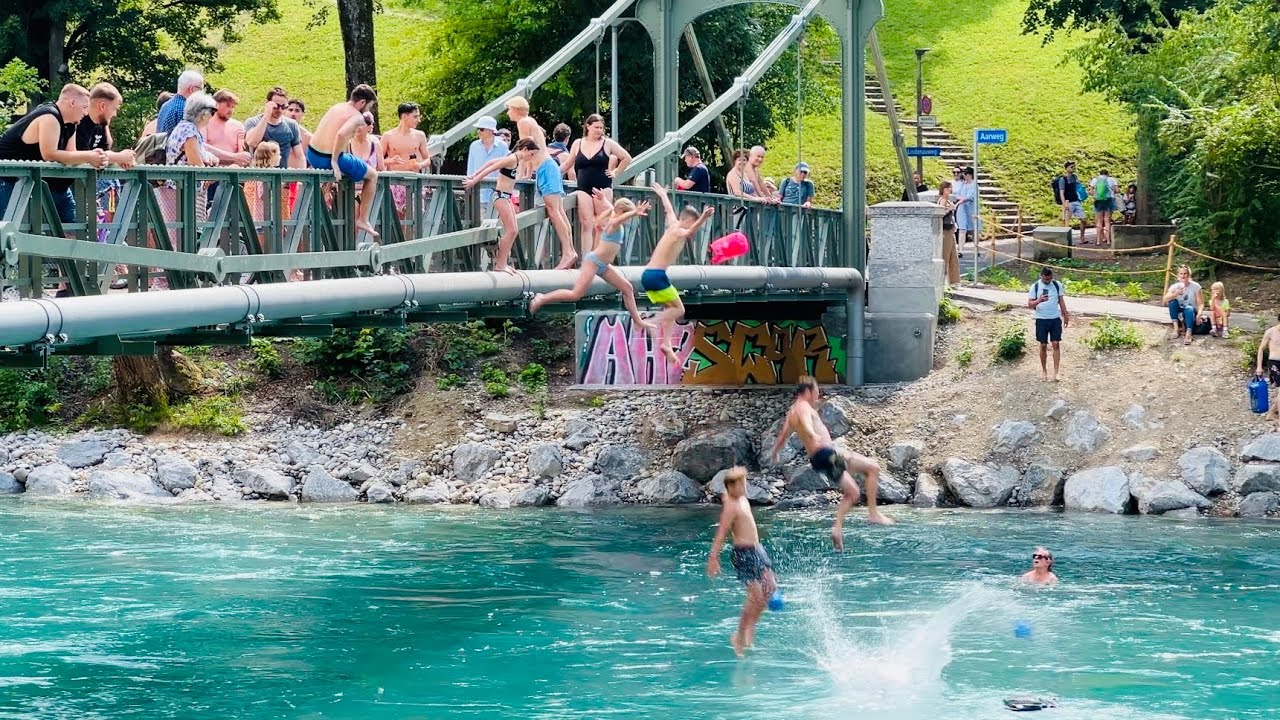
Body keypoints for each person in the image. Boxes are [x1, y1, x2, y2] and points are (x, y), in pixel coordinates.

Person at [770, 376, 894, 548]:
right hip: (826, 454)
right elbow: (806, 422)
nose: (817, 394)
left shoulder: (792, 411)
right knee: (854, 492)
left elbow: (783, 436)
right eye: (816, 390)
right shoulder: (803, 407)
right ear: (807, 391)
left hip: (822, 457)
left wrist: (775, 452)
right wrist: (812, 433)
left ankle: (857, 520)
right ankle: (856, 520)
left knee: (871, 468)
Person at [529, 193, 653, 329]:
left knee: (627, 288)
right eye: (628, 216)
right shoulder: (614, 223)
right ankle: (542, 298)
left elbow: (613, 208)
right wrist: (634, 212)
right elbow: (617, 217)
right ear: (622, 212)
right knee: (576, 294)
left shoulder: (612, 215)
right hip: (593, 262)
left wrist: (604, 200)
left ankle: (637, 320)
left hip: (604, 266)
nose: (630, 220)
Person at [0, 84, 106, 224]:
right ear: (72, 103)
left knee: (74, 227)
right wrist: (89, 156)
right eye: (85, 107)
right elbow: (49, 154)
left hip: (30, 182)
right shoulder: (49, 116)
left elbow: (71, 154)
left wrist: (93, 155)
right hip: (7, 178)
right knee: (11, 231)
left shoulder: (71, 123)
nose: (86, 113)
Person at [706, 466, 778, 658]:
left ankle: (749, 629)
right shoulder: (731, 506)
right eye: (741, 483)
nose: (745, 486)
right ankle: (738, 637)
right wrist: (713, 558)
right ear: (732, 486)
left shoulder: (741, 499)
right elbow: (721, 533)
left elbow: (724, 494)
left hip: (757, 550)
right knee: (755, 597)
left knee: (770, 588)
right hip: (744, 554)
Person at [641, 182, 715, 365]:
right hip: (656, 276)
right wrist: (704, 217)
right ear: (688, 219)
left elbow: (668, 209)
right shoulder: (678, 230)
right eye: (692, 221)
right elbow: (689, 231)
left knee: (670, 309)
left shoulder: (673, 223)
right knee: (680, 310)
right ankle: (652, 321)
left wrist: (662, 194)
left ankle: (666, 345)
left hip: (650, 275)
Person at [306, 84, 381, 239]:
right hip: (326, 158)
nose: (367, 111)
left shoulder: (337, 107)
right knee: (372, 175)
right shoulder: (357, 116)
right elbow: (341, 135)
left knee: (351, 166)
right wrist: (334, 161)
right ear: (361, 103)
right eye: (368, 107)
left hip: (312, 153)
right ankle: (363, 219)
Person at [560, 113, 631, 257]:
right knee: (586, 223)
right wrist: (552, 174)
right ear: (588, 126)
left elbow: (626, 158)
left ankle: (597, 257)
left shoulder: (607, 143)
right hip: (583, 187)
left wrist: (616, 172)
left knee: (600, 223)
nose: (599, 130)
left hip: (602, 187)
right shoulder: (578, 143)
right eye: (596, 127)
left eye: (601, 128)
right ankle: (586, 257)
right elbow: (568, 164)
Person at [511, 137, 578, 269]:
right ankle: (569, 251)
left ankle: (568, 252)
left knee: (555, 213)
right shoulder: (535, 146)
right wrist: (528, 174)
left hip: (547, 170)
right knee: (558, 213)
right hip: (547, 170)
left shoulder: (525, 123)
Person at [462, 149, 523, 273]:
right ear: (526, 149)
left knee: (513, 230)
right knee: (511, 231)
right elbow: (491, 168)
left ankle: (503, 263)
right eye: (531, 153)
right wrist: (474, 180)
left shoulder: (515, 160)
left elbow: (490, 163)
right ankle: (501, 264)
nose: (531, 157)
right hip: (501, 196)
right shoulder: (512, 159)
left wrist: (474, 174)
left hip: (506, 196)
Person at [383, 102, 435, 217]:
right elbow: (377, 161)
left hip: (413, 180)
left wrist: (420, 165)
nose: (419, 120)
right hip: (394, 181)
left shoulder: (420, 135)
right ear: (404, 117)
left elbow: (428, 160)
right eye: (415, 116)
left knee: (414, 217)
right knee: (397, 219)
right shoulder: (388, 136)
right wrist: (390, 161)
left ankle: (414, 236)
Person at [244, 87, 305, 169]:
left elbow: (299, 156)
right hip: (257, 175)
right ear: (268, 103)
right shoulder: (253, 122)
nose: (279, 110)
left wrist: (302, 178)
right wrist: (266, 115)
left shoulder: (291, 125)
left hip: (281, 176)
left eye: (283, 107)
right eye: (276, 106)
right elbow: (252, 142)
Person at [1027, 267, 1070, 382]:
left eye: (1049, 279)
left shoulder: (1057, 285)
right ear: (1041, 276)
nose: (1048, 281)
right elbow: (1030, 304)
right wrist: (1039, 300)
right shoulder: (1035, 286)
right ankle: (1044, 371)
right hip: (1041, 319)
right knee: (1043, 345)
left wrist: (1065, 315)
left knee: (1056, 344)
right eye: (1046, 279)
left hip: (1055, 318)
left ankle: (1056, 373)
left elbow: (1061, 300)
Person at [464, 115, 507, 212]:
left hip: (498, 194)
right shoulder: (474, 146)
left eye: (481, 129)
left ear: (491, 131)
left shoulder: (502, 146)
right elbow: (470, 170)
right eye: (478, 129)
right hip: (479, 194)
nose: (478, 131)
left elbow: (505, 170)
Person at [206, 90, 249, 167]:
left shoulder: (238, 126)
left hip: (232, 171)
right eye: (228, 106)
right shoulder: (205, 123)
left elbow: (242, 156)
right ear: (216, 104)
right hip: (210, 170)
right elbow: (202, 148)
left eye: (233, 107)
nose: (231, 110)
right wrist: (233, 156)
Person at [1163, 265, 1203, 345]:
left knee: (1189, 308)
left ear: (1188, 275)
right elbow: (1165, 299)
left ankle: (1189, 333)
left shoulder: (1196, 286)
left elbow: (1200, 303)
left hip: (1190, 311)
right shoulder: (1174, 287)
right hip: (1179, 311)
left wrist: (1199, 314)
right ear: (1178, 275)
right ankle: (1176, 329)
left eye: (1185, 273)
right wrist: (1175, 294)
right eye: (1181, 274)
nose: (1183, 276)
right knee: (1172, 302)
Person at [156, 69, 204, 135]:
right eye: (200, 89)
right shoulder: (187, 111)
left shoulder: (165, 106)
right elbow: (190, 140)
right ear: (191, 88)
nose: (201, 93)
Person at [1255, 315, 1280, 430]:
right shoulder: (1271, 332)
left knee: (1279, 394)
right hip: (1274, 362)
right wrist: (1259, 367)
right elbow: (1261, 349)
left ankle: (1270, 414)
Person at [1055, 160, 1086, 244]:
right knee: (1066, 221)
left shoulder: (1074, 177)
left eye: (1073, 167)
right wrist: (1064, 203)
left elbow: (1077, 187)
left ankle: (1082, 237)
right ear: (1066, 168)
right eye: (1071, 167)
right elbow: (1061, 191)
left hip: (1076, 200)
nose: (1073, 168)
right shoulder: (1062, 179)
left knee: (1083, 219)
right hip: (1068, 201)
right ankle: (1065, 240)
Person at [936, 180, 960, 284]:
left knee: (953, 256)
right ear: (944, 189)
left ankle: (954, 281)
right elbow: (940, 214)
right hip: (945, 230)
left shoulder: (948, 200)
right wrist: (949, 209)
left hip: (951, 230)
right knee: (945, 255)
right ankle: (942, 279)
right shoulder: (942, 200)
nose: (950, 190)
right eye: (948, 188)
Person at [1089, 169, 1119, 247]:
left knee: (1099, 220)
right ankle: (1108, 240)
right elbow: (1117, 190)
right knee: (1107, 220)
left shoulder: (1095, 179)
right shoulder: (1112, 179)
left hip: (1098, 201)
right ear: (1107, 174)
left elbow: (1091, 192)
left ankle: (1099, 240)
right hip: (1109, 200)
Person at [954, 167, 978, 246]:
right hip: (962, 208)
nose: (964, 175)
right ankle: (960, 250)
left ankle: (976, 247)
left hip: (971, 208)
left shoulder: (974, 185)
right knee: (962, 228)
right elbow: (957, 193)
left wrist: (960, 201)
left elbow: (970, 196)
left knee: (974, 229)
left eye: (966, 174)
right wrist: (959, 199)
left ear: (970, 175)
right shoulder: (962, 184)